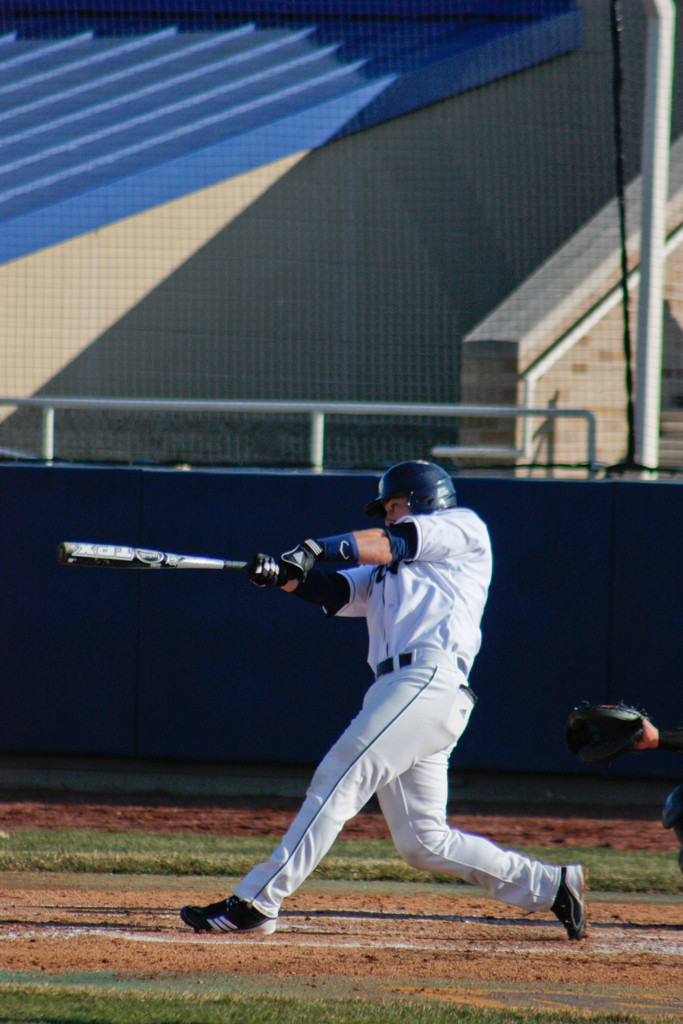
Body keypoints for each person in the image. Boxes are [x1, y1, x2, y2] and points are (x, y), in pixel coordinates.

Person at [179, 460, 586, 940]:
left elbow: (393, 542)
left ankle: (258, 900)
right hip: (403, 691)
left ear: (424, 499)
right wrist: (282, 576)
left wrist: (312, 549)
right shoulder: (386, 571)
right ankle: (551, 885)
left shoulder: (462, 528)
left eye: (394, 505)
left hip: (427, 680)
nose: (388, 516)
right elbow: (335, 591)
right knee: (423, 841)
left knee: (340, 775)